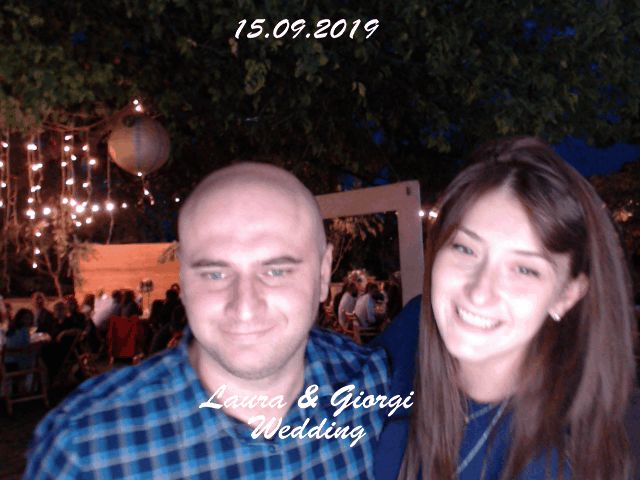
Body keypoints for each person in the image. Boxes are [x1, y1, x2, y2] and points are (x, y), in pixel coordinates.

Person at [26, 162, 391, 479]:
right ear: (184, 280)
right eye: (215, 273)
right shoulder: (86, 448)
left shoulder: (373, 386)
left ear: (324, 273)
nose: (244, 307)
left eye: (277, 270)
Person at [373, 136, 637, 479]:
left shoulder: (559, 463)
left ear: (566, 296)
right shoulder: (410, 332)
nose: (480, 293)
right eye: (465, 249)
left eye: (524, 269)